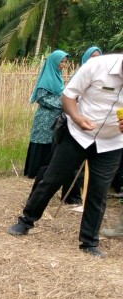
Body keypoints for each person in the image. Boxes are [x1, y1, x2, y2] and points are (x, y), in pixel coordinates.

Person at [7, 53, 123, 257]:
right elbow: (68, 96)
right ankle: (25, 221)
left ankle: (89, 242)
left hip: (112, 142)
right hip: (77, 134)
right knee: (51, 179)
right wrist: (77, 118)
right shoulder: (97, 66)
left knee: (99, 190)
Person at [62, 46, 104, 205]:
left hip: (95, 126)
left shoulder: (104, 78)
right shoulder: (81, 74)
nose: (96, 60)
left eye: (98, 57)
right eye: (93, 56)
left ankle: (80, 197)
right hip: (76, 124)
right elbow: (70, 97)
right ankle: (71, 197)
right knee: (72, 166)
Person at [23, 51, 68, 186]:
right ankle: (35, 171)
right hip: (45, 117)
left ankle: (46, 172)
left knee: (51, 143)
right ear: (54, 62)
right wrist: (62, 103)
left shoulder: (58, 77)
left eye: (65, 62)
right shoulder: (46, 79)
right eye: (61, 61)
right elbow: (41, 98)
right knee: (41, 143)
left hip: (55, 117)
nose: (63, 64)